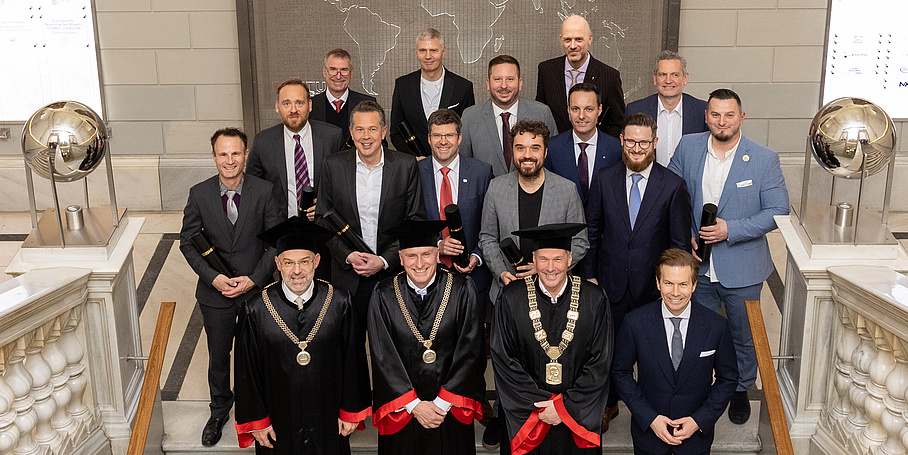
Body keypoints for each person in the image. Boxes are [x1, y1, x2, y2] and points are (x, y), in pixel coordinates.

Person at [668, 88, 789, 425]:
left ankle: (739, 387)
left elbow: (778, 211)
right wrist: (686, 234)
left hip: (743, 267)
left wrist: (730, 230)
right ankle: (699, 386)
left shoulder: (764, 158)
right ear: (706, 117)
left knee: (742, 335)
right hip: (698, 266)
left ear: (741, 118)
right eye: (716, 115)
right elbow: (671, 193)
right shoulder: (688, 147)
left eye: (729, 115)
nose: (722, 122)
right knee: (699, 332)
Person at [477, 120, 588, 449]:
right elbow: (487, 237)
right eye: (520, 147)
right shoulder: (497, 188)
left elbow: (580, 242)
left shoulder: (565, 189)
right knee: (508, 360)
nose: (527, 154)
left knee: (545, 359)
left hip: (552, 293)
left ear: (545, 151)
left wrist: (545, 270)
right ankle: (505, 416)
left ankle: (551, 413)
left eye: (534, 148)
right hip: (508, 291)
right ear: (512, 151)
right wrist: (502, 272)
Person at [582, 112, 691, 432]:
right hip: (610, 283)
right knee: (610, 352)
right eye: (631, 141)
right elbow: (591, 229)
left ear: (655, 143)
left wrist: (669, 287)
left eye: (644, 142)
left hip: (652, 289)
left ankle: (652, 412)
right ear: (621, 141)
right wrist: (590, 275)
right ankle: (609, 404)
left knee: (654, 355)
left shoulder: (673, 185)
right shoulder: (604, 178)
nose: (637, 148)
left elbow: (679, 245)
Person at [179, 127, 282, 446]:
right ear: (213, 157)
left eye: (236, 153)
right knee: (219, 357)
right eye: (223, 154)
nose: (230, 160)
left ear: (246, 155)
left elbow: (275, 242)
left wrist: (254, 278)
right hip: (216, 294)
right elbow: (187, 242)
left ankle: (264, 409)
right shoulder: (199, 194)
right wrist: (213, 278)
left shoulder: (265, 191)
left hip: (256, 291)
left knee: (262, 353)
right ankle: (219, 411)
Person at [234, 217, 372, 454]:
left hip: (328, 418)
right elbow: (247, 369)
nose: (296, 271)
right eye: (288, 263)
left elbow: (353, 360)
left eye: (304, 261)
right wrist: (257, 421)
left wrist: (350, 412)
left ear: (316, 261)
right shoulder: (256, 308)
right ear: (278, 264)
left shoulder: (339, 302)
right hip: (277, 422)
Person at [491, 223, 612, 455]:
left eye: (557, 259)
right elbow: (503, 359)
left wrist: (564, 407)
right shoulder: (510, 299)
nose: (550, 267)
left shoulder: (594, 299)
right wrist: (541, 406)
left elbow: (600, 362)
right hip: (528, 418)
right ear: (533, 260)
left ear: (570, 259)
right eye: (543, 259)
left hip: (576, 418)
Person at [368, 219, 486, 455]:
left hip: (449, 410)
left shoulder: (462, 289)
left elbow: (471, 350)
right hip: (404, 410)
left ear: (437, 255)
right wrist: (414, 405)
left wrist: (441, 403)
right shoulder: (384, 294)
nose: (420, 263)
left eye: (426, 254)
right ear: (401, 259)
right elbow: (383, 356)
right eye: (411, 256)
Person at [612, 249, 738, 455]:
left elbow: (728, 379)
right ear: (658, 283)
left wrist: (699, 420)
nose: (676, 292)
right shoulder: (635, 323)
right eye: (669, 283)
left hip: (696, 441)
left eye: (683, 284)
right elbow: (620, 373)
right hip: (649, 438)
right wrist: (650, 418)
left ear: (694, 285)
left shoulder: (716, 326)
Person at [316, 100, 425, 328]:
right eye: (360, 129)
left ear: (383, 132)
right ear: (351, 132)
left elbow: (415, 220)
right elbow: (322, 219)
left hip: (392, 275)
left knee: (391, 344)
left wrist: (384, 260)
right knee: (349, 346)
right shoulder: (333, 165)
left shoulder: (405, 166)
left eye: (372, 129)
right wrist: (348, 255)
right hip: (347, 275)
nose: (366, 136)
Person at [418, 108, 494, 317]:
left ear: (459, 138)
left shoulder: (481, 172)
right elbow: (411, 222)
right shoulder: (414, 172)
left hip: (473, 277)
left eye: (449, 135)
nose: (443, 141)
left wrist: (477, 256)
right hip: (428, 275)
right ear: (429, 138)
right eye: (437, 135)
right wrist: (436, 246)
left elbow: (490, 224)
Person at [247, 78, 344, 221]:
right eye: (286, 103)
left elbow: (344, 185)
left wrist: (325, 205)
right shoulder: (263, 142)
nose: (293, 110)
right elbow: (253, 188)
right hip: (280, 227)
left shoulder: (332, 137)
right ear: (277, 107)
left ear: (309, 105)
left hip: (323, 226)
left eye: (299, 103)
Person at [461, 54, 559, 177]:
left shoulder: (541, 113)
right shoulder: (470, 117)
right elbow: (464, 164)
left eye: (510, 79)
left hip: (533, 187)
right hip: (485, 189)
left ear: (520, 83)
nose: (504, 86)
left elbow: (554, 159)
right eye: (498, 79)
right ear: (488, 84)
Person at [389, 28, 475, 157]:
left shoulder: (463, 87)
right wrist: (414, 159)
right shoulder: (403, 86)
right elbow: (396, 132)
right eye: (422, 50)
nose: (428, 56)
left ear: (443, 51)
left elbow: (467, 133)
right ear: (417, 52)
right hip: (414, 163)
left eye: (433, 50)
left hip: (451, 162)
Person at [536, 15, 624, 138]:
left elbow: (618, 122)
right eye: (567, 40)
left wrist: (600, 144)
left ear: (590, 39)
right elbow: (540, 114)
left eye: (578, 39)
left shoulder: (609, 76)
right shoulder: (547, 70)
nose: (573, 46)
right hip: (554, 146)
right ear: (561, 40)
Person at [625, 51, 708, 166]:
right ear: (655, 79)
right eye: (662, 75)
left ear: (685, 78)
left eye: (675, 75)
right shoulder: (635, 110)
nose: (668, 80)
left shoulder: (701, 110)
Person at [544, 83, 622, 205]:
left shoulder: (617, 149)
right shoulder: (552, 148)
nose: (581, 116)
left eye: (589, 109)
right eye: (575, 109)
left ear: (599, 110)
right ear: (568, 109)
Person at [310, 48, 378, 146]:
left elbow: (379, 143)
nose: (338, 76)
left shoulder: (367, 103)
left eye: (344, 70)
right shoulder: (311, 105)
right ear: (325, 72)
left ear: (351, 73)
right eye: (333, 70)